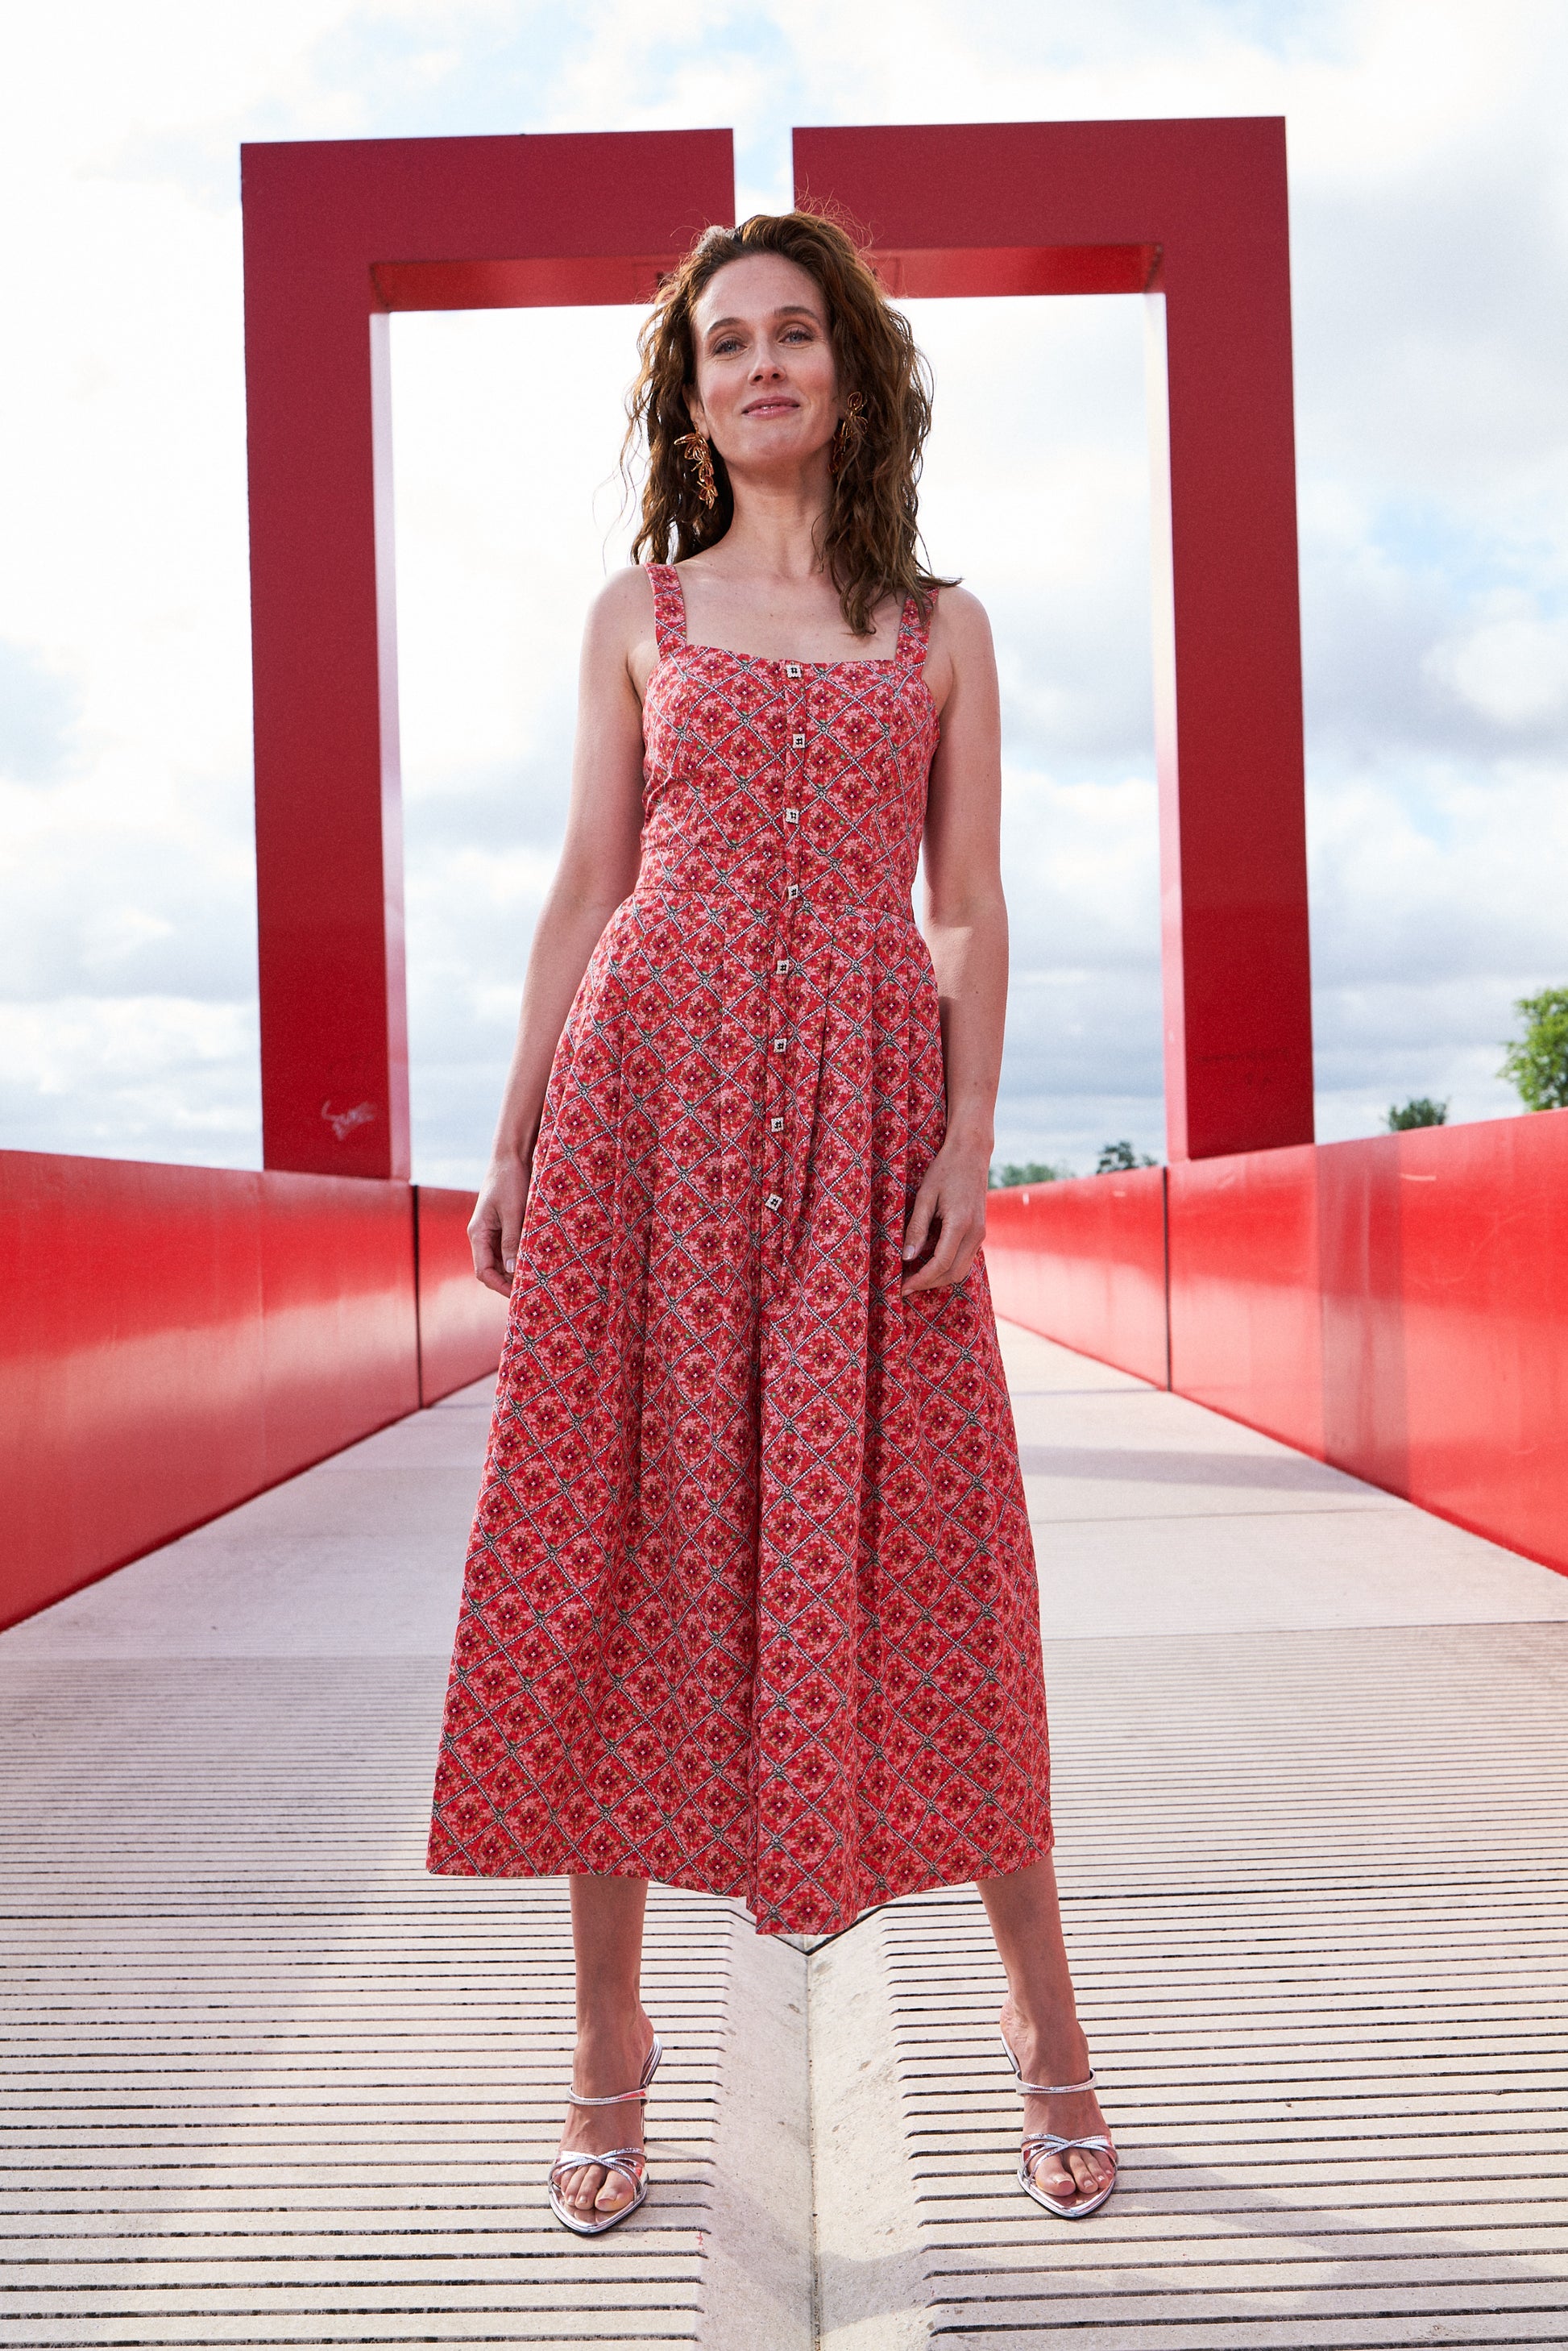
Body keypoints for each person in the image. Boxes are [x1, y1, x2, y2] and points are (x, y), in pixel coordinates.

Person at [426, 210, 1116, 2237]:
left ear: (850, 366)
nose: (757, 365)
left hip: (866, 1101)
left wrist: (973, 1128)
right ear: (689, 388)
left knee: (942, 1559)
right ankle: (607, 2038)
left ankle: (1040, 2015)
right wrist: (511, 1137)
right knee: (616, 1539)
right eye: (722, 342)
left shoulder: (940, 624)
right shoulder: (637, 610)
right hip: (649, 1101)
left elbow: (968, 900)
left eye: (792, 332)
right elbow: (581, 884)